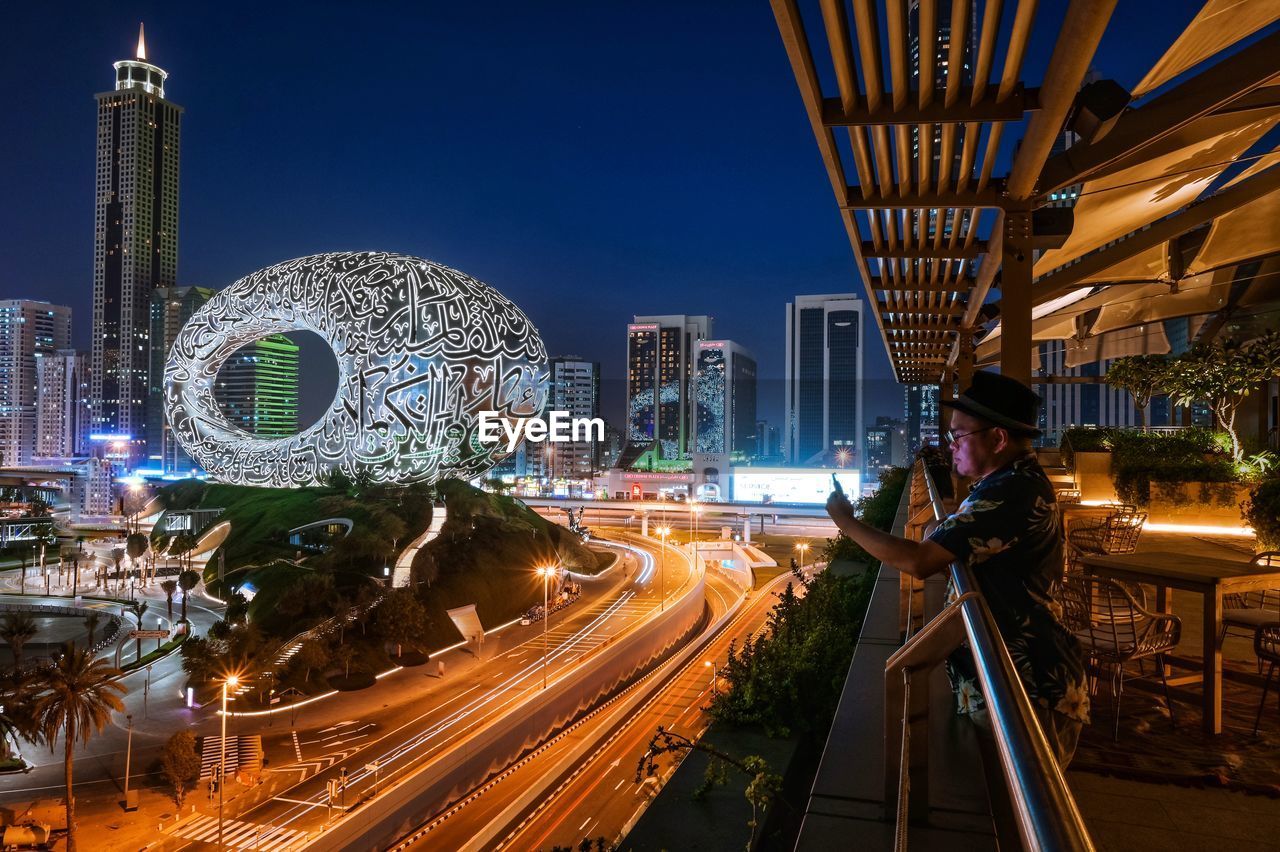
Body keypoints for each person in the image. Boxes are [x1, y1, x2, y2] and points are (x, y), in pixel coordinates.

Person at [825, 370, 1088, 765]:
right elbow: (956, 535)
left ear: (997, 438)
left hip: (1028, 684)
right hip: (1009, 675)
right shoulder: (1008, 483)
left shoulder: (1010, 492)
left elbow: (919, 561)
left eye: (959, 436)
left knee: (1028, 807)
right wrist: (941, 529)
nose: (951, 448)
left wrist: (845, 521)